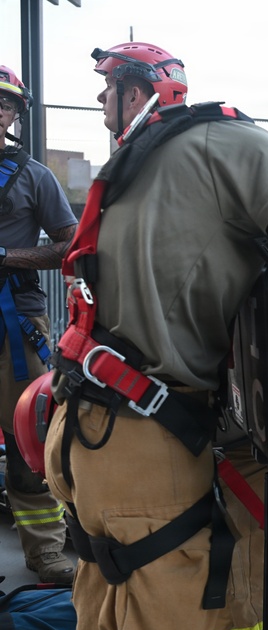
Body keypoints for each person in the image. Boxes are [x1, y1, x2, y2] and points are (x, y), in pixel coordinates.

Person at [41, 42, 268, 630]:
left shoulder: (145, 160)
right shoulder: (244, 146)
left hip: (85, 431)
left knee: (104, 620)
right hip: (148, 446)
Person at [0, 65, 77, 585]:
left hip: (15, 325)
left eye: (2, 104)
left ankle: (46, 552)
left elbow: (71, 245)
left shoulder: (33, 176)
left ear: (13, 115)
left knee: (28, 437)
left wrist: (8, 255)